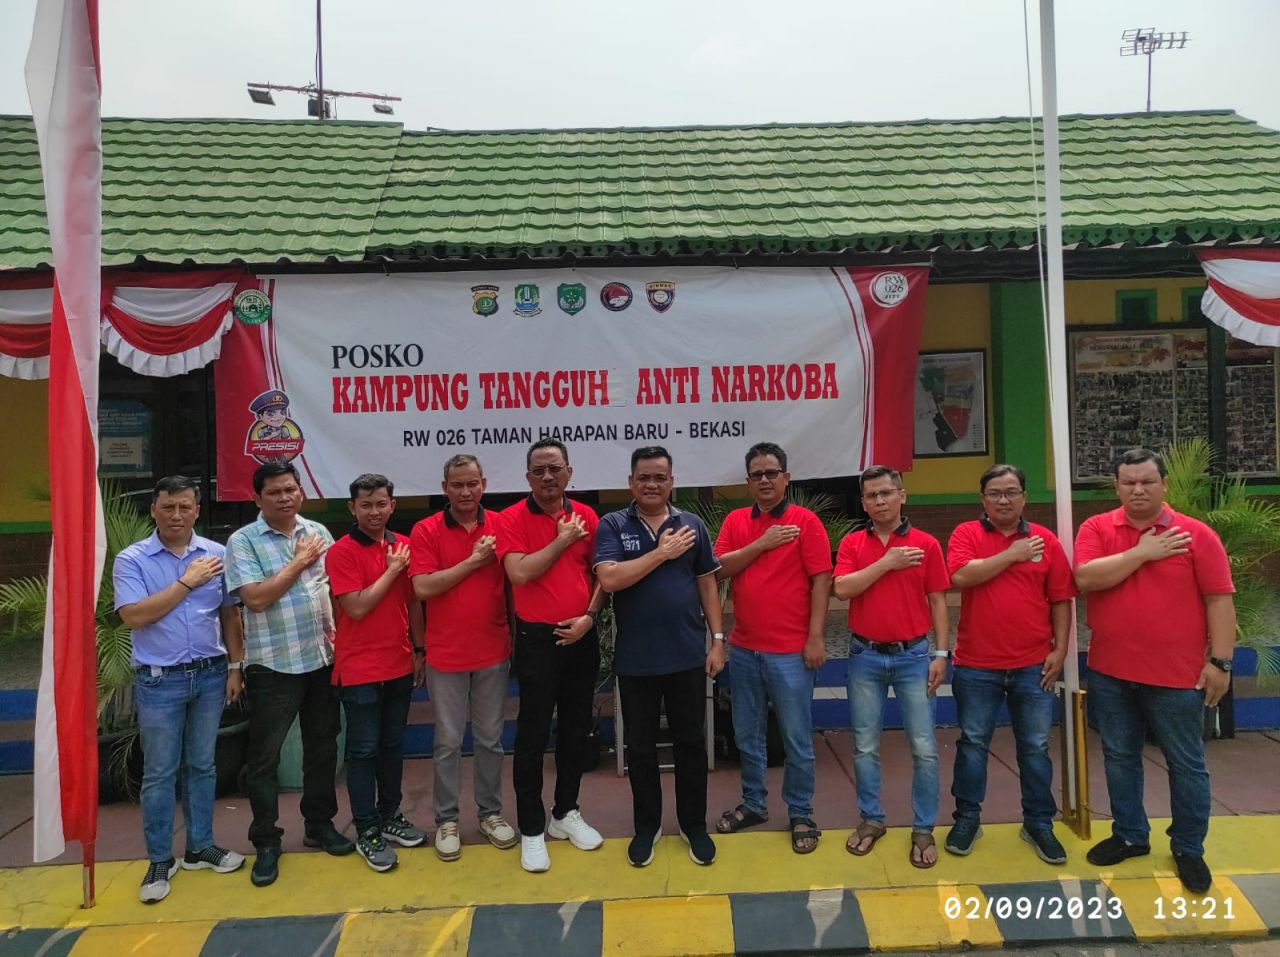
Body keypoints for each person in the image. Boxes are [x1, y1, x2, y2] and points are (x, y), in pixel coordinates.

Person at [1074, 448, 1236, 893]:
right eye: (1128, 482)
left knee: (1186, 764)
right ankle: (1130, 834)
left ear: (1164, 484)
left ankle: (1188, 846)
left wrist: (1221, 662)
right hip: (1111, 672)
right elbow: (1086, 578)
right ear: (1117, 487)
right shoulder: (1097, 528)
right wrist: (1144, 552)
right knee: (1119, 757)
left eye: (1147, 481)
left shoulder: (1195, 535)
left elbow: (1219, 600)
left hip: (1178, 677)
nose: (1138, 490)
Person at [114, 476, 246, 903]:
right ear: (154, 510)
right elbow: (134, 616)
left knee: (202, 765)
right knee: (160, 772)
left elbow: (229, 615)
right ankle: (159, 858)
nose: (176, 515)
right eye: (168, 507)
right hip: (159, 680)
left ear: (197, 510)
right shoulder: (132, 560)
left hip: (210, 675)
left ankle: (200, 846)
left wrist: (235, 667)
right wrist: (187, 582)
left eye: (184, 507)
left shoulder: (217, 555)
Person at [595, 446, 726, 867]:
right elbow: (610, 579)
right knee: (641, 749)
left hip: (687, 656)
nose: (652, 484)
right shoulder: (614, 524)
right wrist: (660, 554)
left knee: (691, 745)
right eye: (644, 478)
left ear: (672, 482)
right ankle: (646, 827)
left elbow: (707, 584)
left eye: (660, 477)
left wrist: (717, 639)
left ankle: (694, 825)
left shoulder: (692, 524)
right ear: (631, 483)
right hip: (636, 661)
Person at [226, 458, 352, 887]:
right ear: (257, 498)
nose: (284, 497)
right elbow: (256, 599)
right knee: (265, 757)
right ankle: (266, 840)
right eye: (274, 492)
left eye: (290, 490)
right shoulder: (243, 541)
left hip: (321, 659)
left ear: (301, 492)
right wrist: (298, 562)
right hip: (273, 665)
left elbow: (334, 590)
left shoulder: (318, 532)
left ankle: (319, 825)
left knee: (323, 749)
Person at [944, 464, 1074, 865]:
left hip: (1033, 664)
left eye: (1012, 492)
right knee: (973, 744)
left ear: (1024, 498)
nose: (1004, 500)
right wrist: (1012, 554)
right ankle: (967, 818)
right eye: (995, 493)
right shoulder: (967, 534)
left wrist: (1061, 650)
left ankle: (1038, 823)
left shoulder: (1045, 541)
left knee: (1035, 747)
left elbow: (1061, 598)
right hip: (976, 664)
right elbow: (960, 576)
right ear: (982, 499)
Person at [713, 441, 831, 854]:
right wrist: (761, 543)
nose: (764, 480)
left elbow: (821, 581)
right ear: (748, 481)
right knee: (747, 735)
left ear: (786, 478)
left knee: (796, 738)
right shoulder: (735, 522)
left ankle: (800, 811)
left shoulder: (805, 522)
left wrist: (815, 636)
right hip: (745, 649)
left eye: (772, 473)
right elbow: (719, 568)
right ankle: (754, 804)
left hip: (791, 652)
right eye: (757, 474)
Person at [497, 439, 607, 873]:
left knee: (576, 730)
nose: (548, 476)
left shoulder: (588, 516)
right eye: (539, 470)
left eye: (555, 468)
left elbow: (601, 576)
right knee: (532, 734)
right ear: (527, 476)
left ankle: (565, 812)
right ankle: (531, 828)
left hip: (580, 634)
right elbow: (519, 572)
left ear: (569, 473)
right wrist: (562, 541)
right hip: (537, 640)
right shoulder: (511, 518)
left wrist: (590, 618)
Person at [833, 465, 950, 869]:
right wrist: (887, 562)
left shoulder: (926, 544)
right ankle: (871, 819)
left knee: (924, 747)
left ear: (902, 496)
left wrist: (941, 653)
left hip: (913, 656)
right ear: (863, 503)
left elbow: (938, 599)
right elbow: (843, 588)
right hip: (865, 655)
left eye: (886, 493)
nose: (880, 501)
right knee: (865, 745)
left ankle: (923, 827)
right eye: (872, 495)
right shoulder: (852, 543)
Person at [411, 454, 519, 862]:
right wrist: (473, 561)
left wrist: (515, 637)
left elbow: (513, 585)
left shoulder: (501, 525)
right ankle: (447, 820)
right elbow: (423, 587)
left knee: (491, 739)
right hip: (446, 653)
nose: (466, 491)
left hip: (493, 649)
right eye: (457, 484)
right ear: (445, 488)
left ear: (484, 484)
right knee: (448, 741)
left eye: (472, 483)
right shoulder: (426, 530)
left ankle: (490, 814)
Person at [325, 473, 427, 873]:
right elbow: (356, 607)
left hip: (399, 662)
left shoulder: (404, 545)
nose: (374, 512)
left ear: (392, 506)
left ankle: (390, 815)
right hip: (359, 667)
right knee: (363, 751)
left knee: (392, 746)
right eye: (365, 505)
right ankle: (366, 828)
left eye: (381, 504)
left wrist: (419, 649)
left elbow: (414, 603)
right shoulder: (341, 552)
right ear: (352, 508)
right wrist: (392, 570)